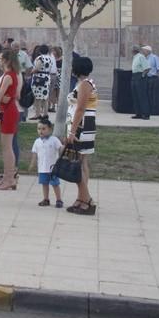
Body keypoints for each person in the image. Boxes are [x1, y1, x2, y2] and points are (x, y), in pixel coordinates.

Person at [65, 56, 98, 215]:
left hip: (81, 126)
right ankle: (81, 198)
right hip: (83, 124)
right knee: (82, 162)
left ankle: (87, 200)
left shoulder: (84, 85)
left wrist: (72, 131)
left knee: (77, 163)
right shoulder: (86, 83)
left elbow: (80, 108)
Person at [0, 48, 19, 191]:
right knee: (5, 147)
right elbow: (2, 97)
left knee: (7, 148)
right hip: (6, 110)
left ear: (7, 60)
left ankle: (10, 179)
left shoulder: (9, 76)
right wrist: (3, 98)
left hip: (9, 112)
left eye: (1, 58)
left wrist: (2, 98)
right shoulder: (10, 75)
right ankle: (7, 177)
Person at [29, 120, 63, 208]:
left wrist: (63, 154)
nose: (41, 131)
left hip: (53, 168)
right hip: (42, 168)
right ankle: (46, 199)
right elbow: (34, 153)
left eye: (44, 129)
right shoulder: (37, 141)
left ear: (50, 129)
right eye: (39, 129)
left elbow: (60, 149)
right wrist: (32, 163)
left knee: (55, 184)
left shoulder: (54, 140)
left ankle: (59, 200)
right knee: (44, 184)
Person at [30, 45, 55, 121]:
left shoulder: (40, 58)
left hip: (39, 78)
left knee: (37, 97)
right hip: (46, 78)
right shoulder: (50, 58)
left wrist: (31, 72)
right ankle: (45, 114)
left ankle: (37, 114)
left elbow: (37, 68)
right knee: (45, 97)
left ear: (40, 51)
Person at [145, 46, 159, 118]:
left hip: (154, 78)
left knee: (155, 95)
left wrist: (157, 78)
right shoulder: (145, 58)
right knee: (149, 95)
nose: (143, 52)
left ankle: (155, 111)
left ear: (148, 51)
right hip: (148, 78)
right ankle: (149, 110)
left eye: (144, 50)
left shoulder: (155, 57)